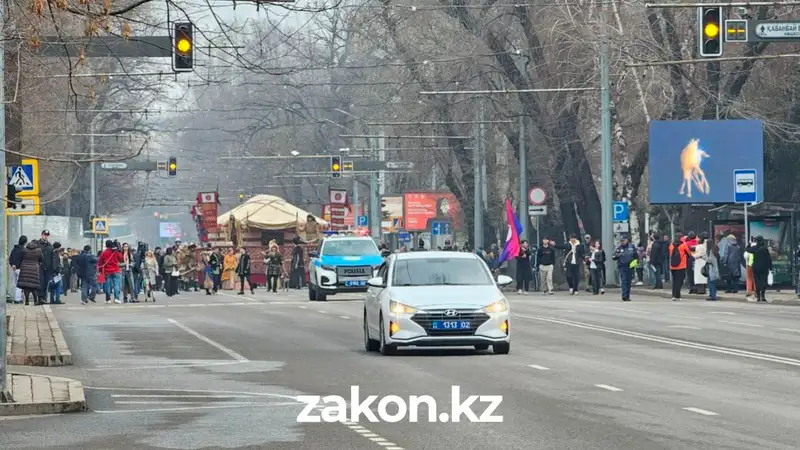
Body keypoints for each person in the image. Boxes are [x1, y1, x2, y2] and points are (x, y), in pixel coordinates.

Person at [97, 240, 124, 304]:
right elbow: (121, 259)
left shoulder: (104, 253)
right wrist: (119, 251)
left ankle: (108, 299)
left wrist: (100, 271)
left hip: (107, 271)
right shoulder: (115, 252)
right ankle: (116, 298)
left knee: (107, 286)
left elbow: (100, 262)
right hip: (116, 270)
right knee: (116, 285)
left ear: (106, 245)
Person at [17, 240, 42, 305]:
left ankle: (27, 301)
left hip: (25, 269)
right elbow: (42, 259)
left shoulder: (24, 250)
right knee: (34, 286)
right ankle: (35, 301)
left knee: (26, 286)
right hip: (35, 269)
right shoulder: (39, 250)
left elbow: (20, 258)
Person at [613, 234, 637, 301]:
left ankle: (627, 296)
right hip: (622, 266)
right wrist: (618, 255)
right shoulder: (619, 247)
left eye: (623, 240)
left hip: (630, 266)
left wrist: (634, 263)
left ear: (627, 240)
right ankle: (624, 295)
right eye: (621, 241)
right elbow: (614, 256)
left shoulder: (632, 246)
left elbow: (636, 256)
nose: (622, 242)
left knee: (628, 282)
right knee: (624, 281)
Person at [669, 234, 693, 301]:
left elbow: (670, 254)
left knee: (674, 281)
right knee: (680, 281)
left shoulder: (671, 245)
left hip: (672, 266)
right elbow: (689, 254)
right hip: (681, 266)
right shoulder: (683, 245)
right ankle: (678, 295)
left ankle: (673, 295)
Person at [751, 235, 773, 302]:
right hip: (764, 268)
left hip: (756, 268)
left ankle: (758, 297)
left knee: (757, 282)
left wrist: (751, 243)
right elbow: (768, 259)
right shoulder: (765, 249)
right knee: (764, 281)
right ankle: (763, 296)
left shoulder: (754, 248)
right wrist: (770, 267)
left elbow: (747, 249)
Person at [36, 230, 54, 304]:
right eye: (44, 234)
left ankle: (43, 298)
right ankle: (40, 298)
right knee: (40, 283)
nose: (46, 236)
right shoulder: (37, 244)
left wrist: (52, 268)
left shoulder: (50, 245)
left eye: (47, 235)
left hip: (48, 268)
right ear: (41, 235)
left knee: (46, 283)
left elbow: (52, 257)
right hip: (39, 267)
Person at [9, 235, 27, 304]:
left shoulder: (14, 249)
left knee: (16, 284)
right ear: (25, 242)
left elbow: (10, 258)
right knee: (20, 285)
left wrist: (12, 265)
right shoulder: (24, 250)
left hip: (14, 269)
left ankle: (17, 298)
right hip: (20, 269)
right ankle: (17, 299)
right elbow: (24, 260)